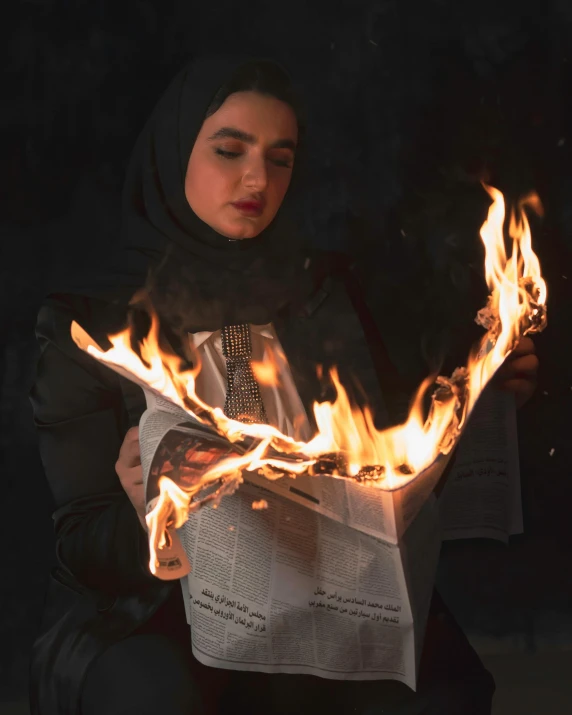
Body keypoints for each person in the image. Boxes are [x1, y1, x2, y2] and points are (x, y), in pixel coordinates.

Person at [29, 53, 538, 715]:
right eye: (229, 150)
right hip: (149, 609)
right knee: (153, 692)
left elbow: (393, 458)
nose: (257, 178)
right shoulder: (88, 323)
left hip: (322, 593)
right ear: (175, 151)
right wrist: (146, 514)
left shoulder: (323, 291)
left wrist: (476, 398)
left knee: (442, 688)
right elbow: (82, 545)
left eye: (280, 157)